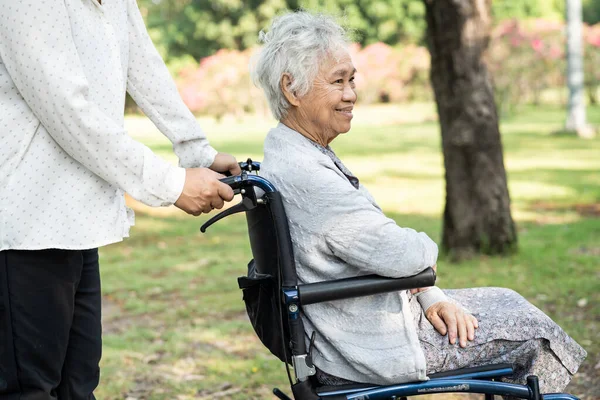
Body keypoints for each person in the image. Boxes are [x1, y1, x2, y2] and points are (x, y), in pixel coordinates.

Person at [252, 11, 587, 391]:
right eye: (337, 82)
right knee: (536, 333)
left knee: (508, 300)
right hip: (370, 347)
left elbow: (377, 252)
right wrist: (425, 254)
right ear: (291, 90)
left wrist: (432, 297)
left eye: (352, 80)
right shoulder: (307, 175)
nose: (351, 94)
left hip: (364, 323)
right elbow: (405, 255)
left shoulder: (292, 152)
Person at [0, 0, 240, 399]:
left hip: (77, 222)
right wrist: (172, 184)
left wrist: (197, 150)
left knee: (78, 387)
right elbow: (69, 113)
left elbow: (144, 66)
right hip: (27, 224)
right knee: (30, 389)